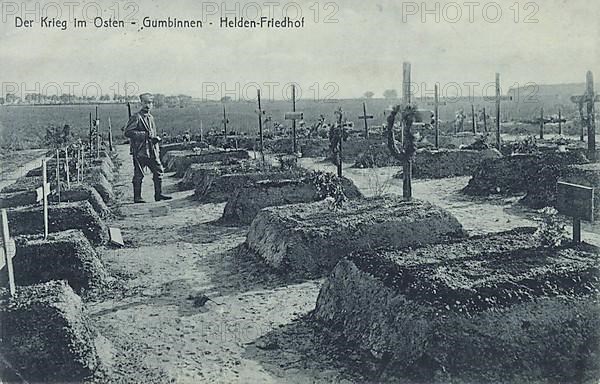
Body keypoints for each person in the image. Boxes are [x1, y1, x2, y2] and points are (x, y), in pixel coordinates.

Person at [124, 93, 172, 203]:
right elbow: (128, 132)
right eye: (145, 102)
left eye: (150, 103)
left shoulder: (151, 117)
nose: (148, 105)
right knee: (139, 173)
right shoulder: (136, 117)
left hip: (152, 150)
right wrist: (144, 135)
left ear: (152, 104)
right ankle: (137, 197)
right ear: (141, 103)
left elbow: (152, 133)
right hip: (140, 150)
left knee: (159, 170)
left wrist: (155, 139)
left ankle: (158, 194)